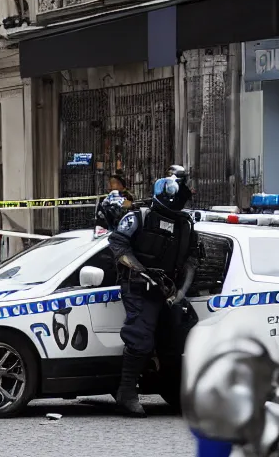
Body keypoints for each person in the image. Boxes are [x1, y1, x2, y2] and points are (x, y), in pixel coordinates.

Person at [102, 165, 200, 417]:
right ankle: (126, 392)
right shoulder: (139, 217)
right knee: (140, 338)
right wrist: (143, 273)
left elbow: (191, 261)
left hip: (169, 291)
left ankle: (174, 392)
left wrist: (180, 292)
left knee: (175, 342)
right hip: (139, 287)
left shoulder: (185, 225)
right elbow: (118, 245)